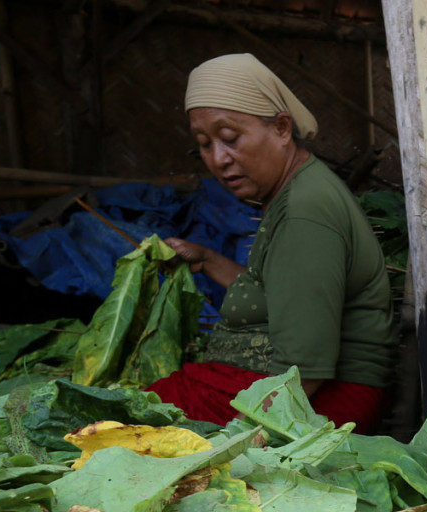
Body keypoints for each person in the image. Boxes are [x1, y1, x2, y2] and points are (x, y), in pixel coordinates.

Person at [147, 53, 398, 434]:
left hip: (323, 402)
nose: (218, 159)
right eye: (204, 144)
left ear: (282, 128)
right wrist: (209, 260)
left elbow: (304, 372)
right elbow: (278, 294)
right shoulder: (294, 191)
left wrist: (241, 439)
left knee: (131, 424)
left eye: (230, 138)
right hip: (293, 391)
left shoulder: (304, 211)